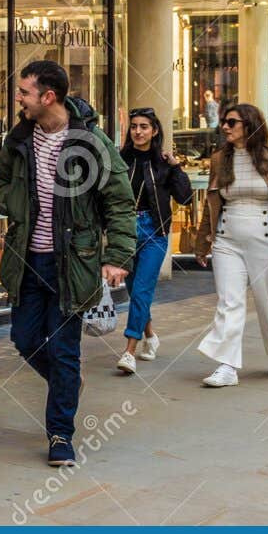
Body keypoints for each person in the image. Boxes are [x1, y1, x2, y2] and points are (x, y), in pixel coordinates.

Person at [0, 59, 135, 467]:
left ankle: (60, 434)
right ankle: (66, 383)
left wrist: (116, 257)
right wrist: (12, 202)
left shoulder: (90, 142)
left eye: (24, 92)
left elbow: (120, 200)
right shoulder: (19, 138)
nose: (18, 99)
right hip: (26, 260)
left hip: (74, 263)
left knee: (64, 350)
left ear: (48, 96)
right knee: (24, 339)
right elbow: (4, 180)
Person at [194, 102, 268, 387]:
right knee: (228, 302)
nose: (225, 127)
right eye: (224, 121)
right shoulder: (219, 158)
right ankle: (227, 366)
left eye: (231, 122)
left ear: (249, 125)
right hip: (227, 238)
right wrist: (203, 242)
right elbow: (212, 203)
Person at [115, 108, 193, 374]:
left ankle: (129, 351)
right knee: (135, 288)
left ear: (155, 130)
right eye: (134, 126)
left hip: (154, 232)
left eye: (144, 126)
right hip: (124, 232)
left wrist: (176, 167)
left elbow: (185, 197)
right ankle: (150, 335)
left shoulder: (163, 163)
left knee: (141, 290)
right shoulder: (120, 159)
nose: (138, 131)